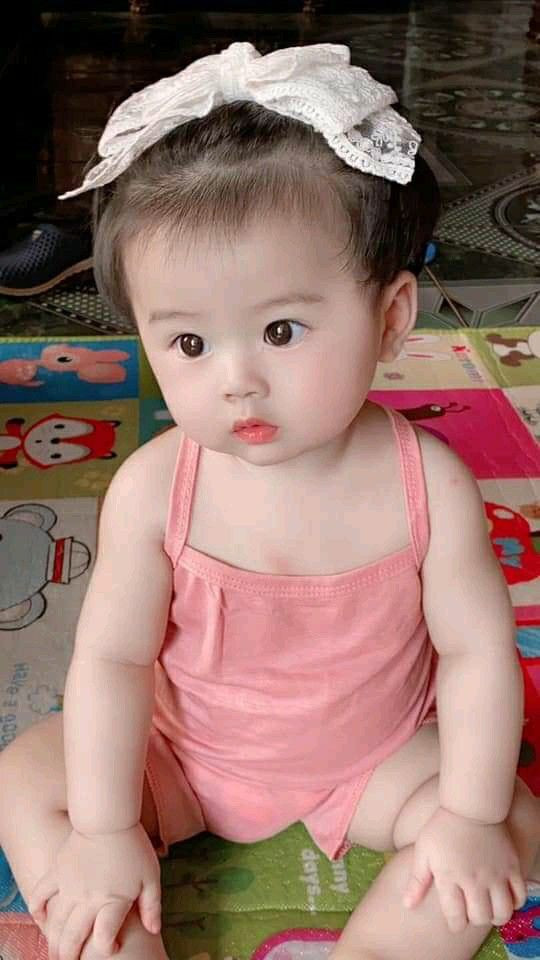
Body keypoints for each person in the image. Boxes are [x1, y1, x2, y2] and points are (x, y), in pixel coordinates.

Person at [0, 41, 538, 960]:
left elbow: (477, 654)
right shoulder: (154, 488)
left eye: (282, 330)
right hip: (182, 757)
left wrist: (470, 816)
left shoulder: (429, 485)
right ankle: (112, 936)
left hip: (376, 763)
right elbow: (114, 662)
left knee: (508, 818)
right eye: (190, 344)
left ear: (390, 317)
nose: (237, 381)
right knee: (27, 777)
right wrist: (104, 828)